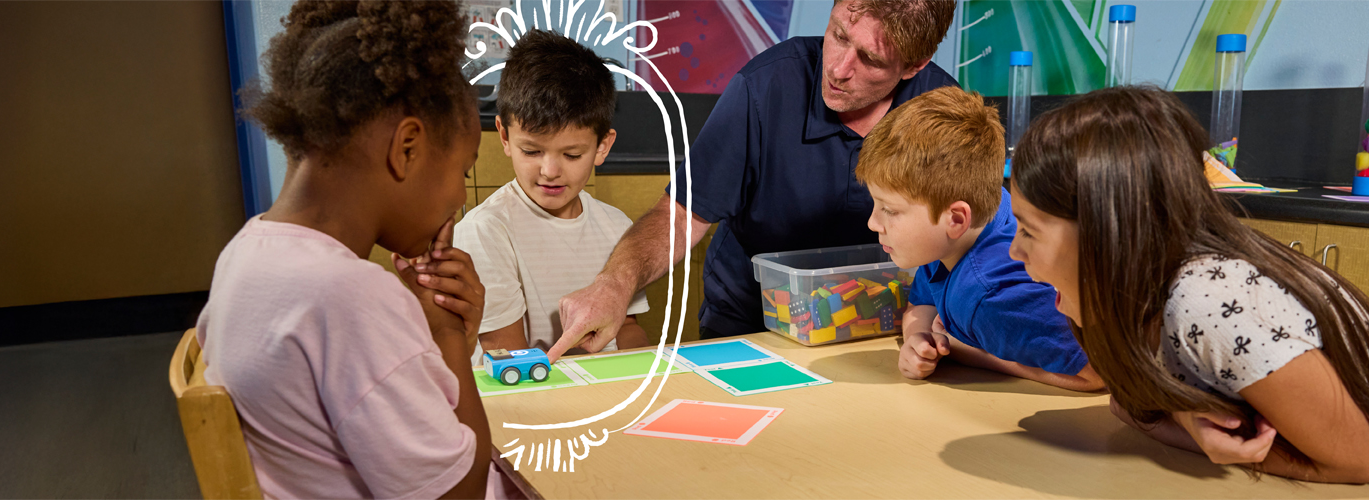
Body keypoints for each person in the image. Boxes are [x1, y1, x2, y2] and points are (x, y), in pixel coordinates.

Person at [1006, 86, 1369, 484]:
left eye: (1027, 230)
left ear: (1109, 232)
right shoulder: (1125, 298)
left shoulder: (1207, 302)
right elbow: (1127, 404)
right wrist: (1184, 418)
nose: (1013, 252)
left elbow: (1360, 460)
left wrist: (1189, 434)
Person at [194, 1, 515, 497]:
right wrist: (448, 334)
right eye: (463, 171)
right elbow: (459, 493)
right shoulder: (348, 295)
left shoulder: (244, 251)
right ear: (407, 147)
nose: (457, 198)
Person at [551, 0, 958, 360]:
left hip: (889, 329)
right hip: (752, 327)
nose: (837, 68)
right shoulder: (766, 87)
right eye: (837, 34)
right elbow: (680, 216)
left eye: (869, 59)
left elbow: (972, 237)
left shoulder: (944, 111)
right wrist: (614, 285)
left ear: (913, 66)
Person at [855, 87, 1102, 391]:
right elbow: (922, 303)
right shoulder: (974, 216)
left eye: (890, 210)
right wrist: (919, 338)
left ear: (957, 219)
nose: (872, 222)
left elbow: (1094, 372)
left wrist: (968, 352)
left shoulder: (992, 301)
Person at [454, 28, 649, 364]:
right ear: (504, 135)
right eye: (531, 151)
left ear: (602, 145)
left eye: (572, 155)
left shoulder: (617, 225)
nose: (550, 170)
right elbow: (508, 355)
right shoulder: (485, 231)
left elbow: (627, 329)